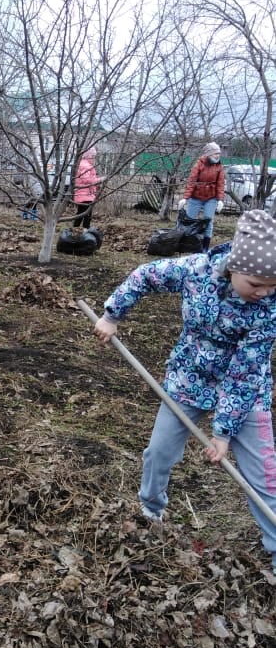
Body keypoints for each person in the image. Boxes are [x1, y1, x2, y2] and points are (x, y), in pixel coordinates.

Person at [93, 209, 276, 575]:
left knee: (264, 474)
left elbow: (244, 372)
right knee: (158, 453)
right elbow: (145, 275)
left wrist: (223, 432)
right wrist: (112, 315)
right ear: (234, 266)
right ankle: (151, 512)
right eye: (257, 283)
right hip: (188, 380)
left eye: (273, 285)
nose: (265, 292)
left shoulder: (268, 310)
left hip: (246, 393)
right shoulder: (196, 271)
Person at [183, 141, 225, 251]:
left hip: (211, 197)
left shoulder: (219, 166)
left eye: (219, 154)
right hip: (196, 197)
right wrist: (186, 198)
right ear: (209, 154)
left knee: (208, 221)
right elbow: (191, 182)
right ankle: (189, 244)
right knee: (190, 220)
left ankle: (205, 247)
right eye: (215, 153)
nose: (218, 156)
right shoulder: (199, 164)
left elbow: (220, 184)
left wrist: (220, 200)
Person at [72, 145, 104, 231]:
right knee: (87, 213)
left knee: (81, 213)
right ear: (88, 156)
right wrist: (100, 180)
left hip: (84, 193)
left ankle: (75, 229)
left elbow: (89, 180)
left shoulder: (85, 164)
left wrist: (96, 185)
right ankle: (85, 230)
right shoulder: (85, 165)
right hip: (85, 194)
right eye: (93, 156)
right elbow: (87, 180)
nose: (94, 158)